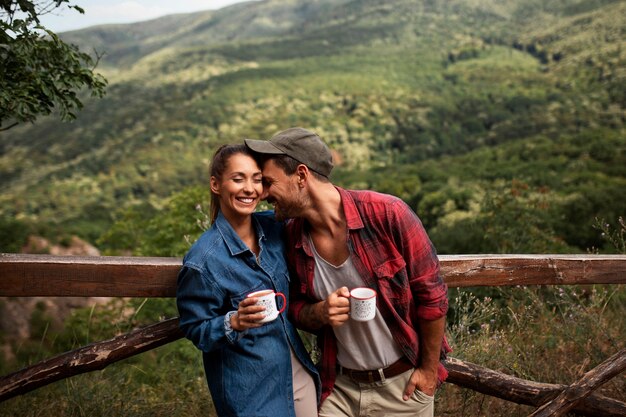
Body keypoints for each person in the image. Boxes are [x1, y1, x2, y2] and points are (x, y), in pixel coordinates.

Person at [245, 128, 450, 417]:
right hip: (338, 388)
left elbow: (433, 297)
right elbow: (294, 306)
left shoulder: (387, 214)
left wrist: (428, 371)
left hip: (402, 389)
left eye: (268, 182)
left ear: (301, 176)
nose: (263, 194)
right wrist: (319, 313)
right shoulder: (291, 236)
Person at [176, 144, 320, 417]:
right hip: (250, 394)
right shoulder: (203, 261)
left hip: (298, 378)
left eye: (257, 179)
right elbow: (196, 329)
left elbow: (312, 209)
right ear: (216, 184)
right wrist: (233, 322)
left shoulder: (275, 228)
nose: (249, 189)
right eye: (238, 178)